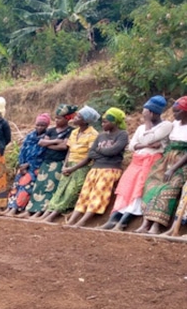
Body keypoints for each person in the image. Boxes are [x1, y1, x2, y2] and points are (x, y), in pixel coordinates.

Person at [101, 96, 172, 231]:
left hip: (151, 161)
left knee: (139, 190)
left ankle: (123, 221)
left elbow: (148, 138)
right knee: (125, 189)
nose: (143, 114)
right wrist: (148, 144)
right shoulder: (140, 128)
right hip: (136, 161)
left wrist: (147, 124)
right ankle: (113, 218)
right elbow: (131, 146)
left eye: (145, 111)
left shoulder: (166, 125)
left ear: (152, 112)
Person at [66, 108, 129, 227]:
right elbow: (91, 154)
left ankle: (82, 221)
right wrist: (104, 152)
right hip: (95, 169)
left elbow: (114, 151)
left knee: (99, 194)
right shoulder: (101, 136)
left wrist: (100, 151)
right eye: (102, 121)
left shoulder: (122, 134)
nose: (102, 124)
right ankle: (72, 220)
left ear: (114, 122)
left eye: (105, 122)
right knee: (85, 194)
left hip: (110, 169)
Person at [135, 96, 187, 234]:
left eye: (177, 112)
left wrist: (173, 169)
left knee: (167, 190)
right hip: (166, 160)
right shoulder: (174, 125)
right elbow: (164, 142)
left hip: (181, 164)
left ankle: (156, 225)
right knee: (152, 184)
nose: (174, 115)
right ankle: (146, 223)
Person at [41, 106, 100, 223]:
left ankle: (52, 216)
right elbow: (69, 150)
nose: (75, 118)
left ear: (85, 121)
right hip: (70, 165)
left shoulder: (93, 134)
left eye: (78, 116)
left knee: (71, 191)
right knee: (60, 190)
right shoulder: (74, 132)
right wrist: (65, 165)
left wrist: (73, 168)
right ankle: (47, 214)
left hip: (81, 166)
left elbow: (89, 156)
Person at [21, 104, 78, 218]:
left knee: (50, 188)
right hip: (46, 162)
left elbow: (64, 147)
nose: (56, 120)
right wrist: (57, 140)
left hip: (58, 162)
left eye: (59, 118)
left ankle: (40, 212)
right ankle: (30, 210)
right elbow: (42, 143)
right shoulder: (51, 130)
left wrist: (49, 144)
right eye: (56, 118)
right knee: (39, 186)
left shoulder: (71, 131)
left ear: (67, 119)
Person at [1, 113, 50, 217]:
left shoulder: (46, 138)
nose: (39, 127)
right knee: (16, 186)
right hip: (24, 166)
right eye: (38, 125)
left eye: (42, 125)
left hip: (35, 168)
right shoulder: (30, 136)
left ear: (47, 126)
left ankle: (15, 209)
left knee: (25, 187)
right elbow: (22, 151)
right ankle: (9, 207)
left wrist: (28, 165)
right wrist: (22, 164)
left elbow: (42, 155)